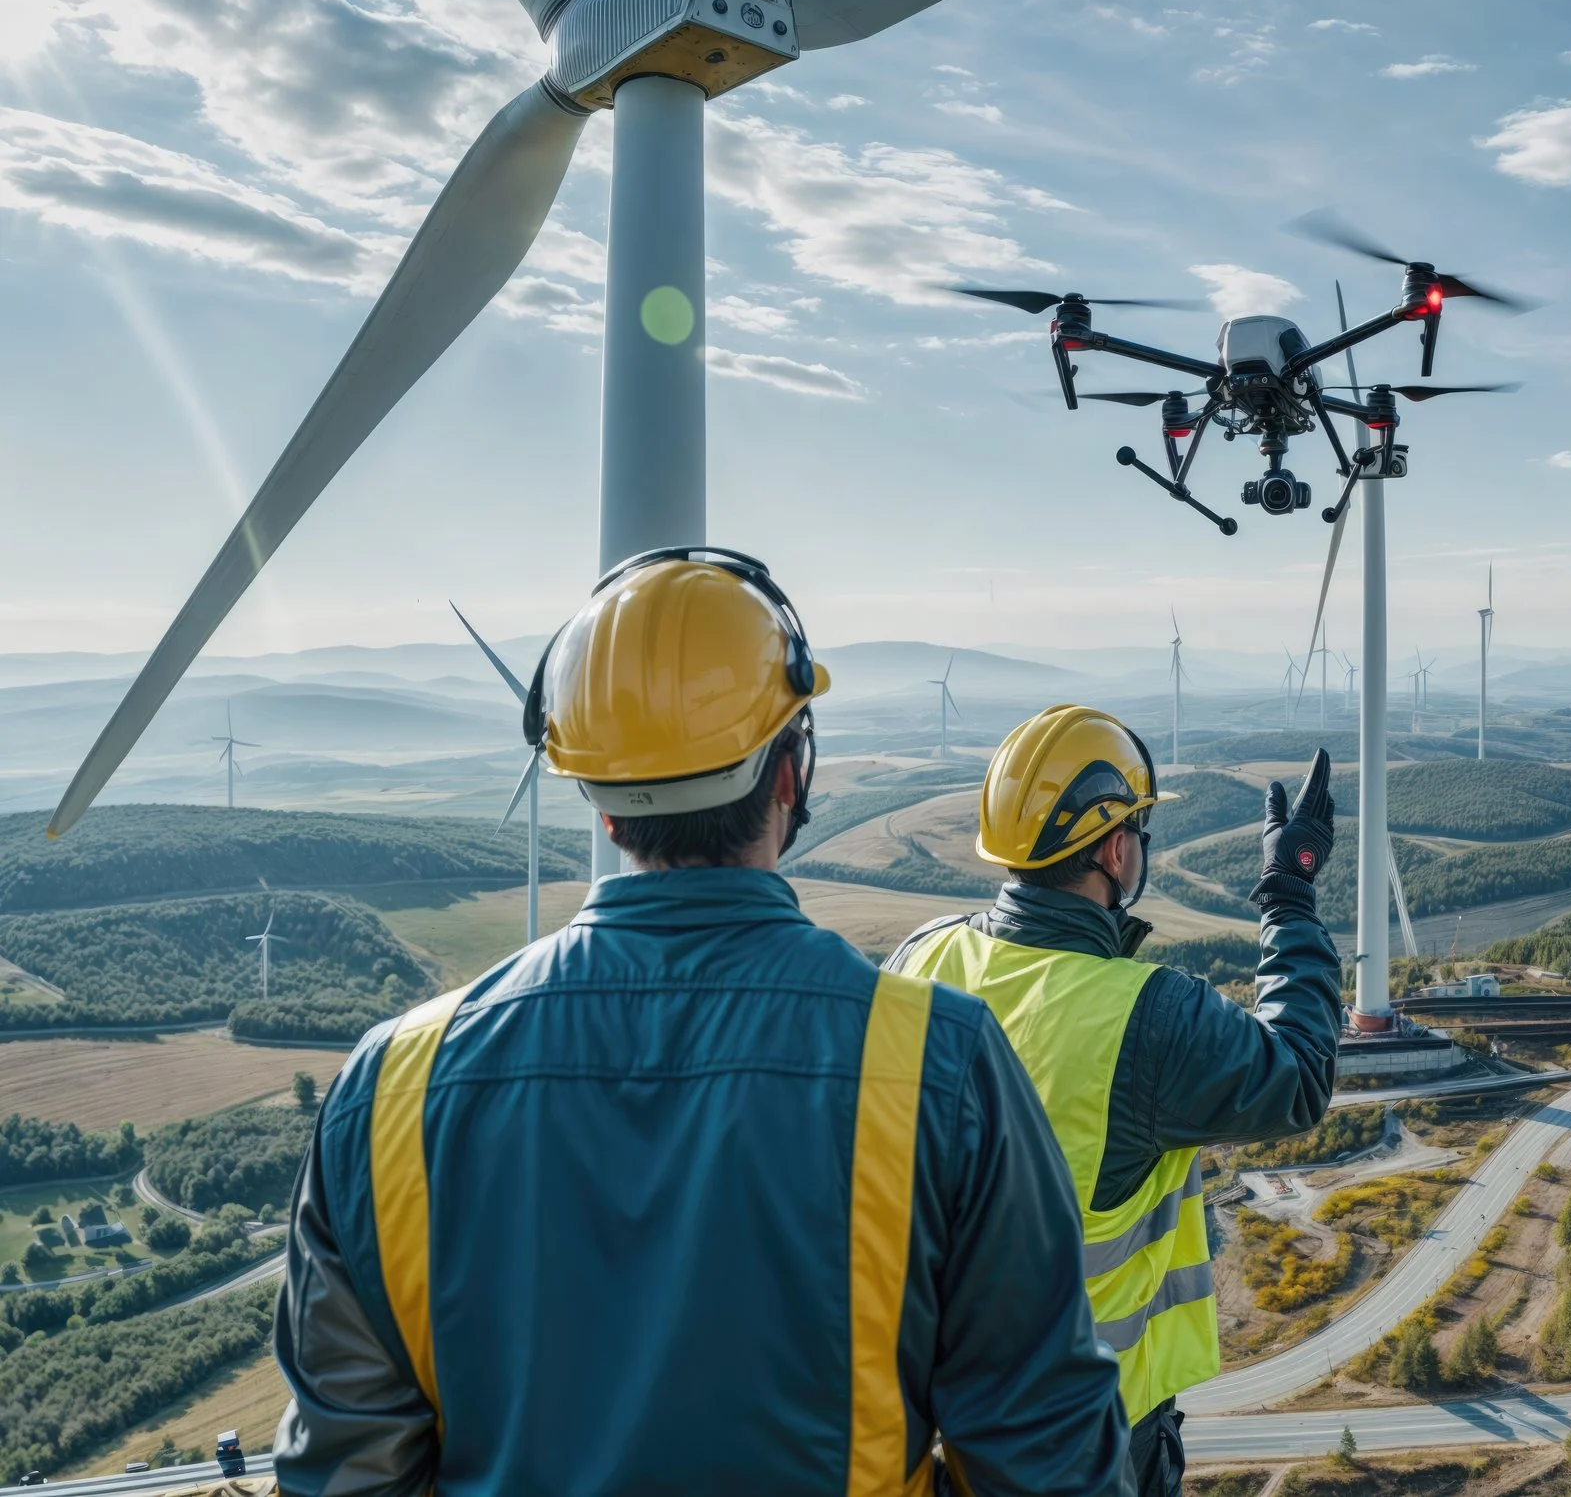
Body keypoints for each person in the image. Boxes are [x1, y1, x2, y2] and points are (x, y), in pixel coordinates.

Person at [273, 549, 1128, 1495]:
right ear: (791, 772)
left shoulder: (386, 1091)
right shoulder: (941, 1068)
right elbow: (1045, 1465)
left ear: (595, 797)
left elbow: (345, 1476)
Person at [886, 707, 1342, 1494]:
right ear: (1114, 847)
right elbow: (1298, 1074)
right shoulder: (1152, 1015)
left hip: (935, 1418)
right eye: (1138, 830)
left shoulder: (919, 956)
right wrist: (1288, 893)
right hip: (1090, 1436)